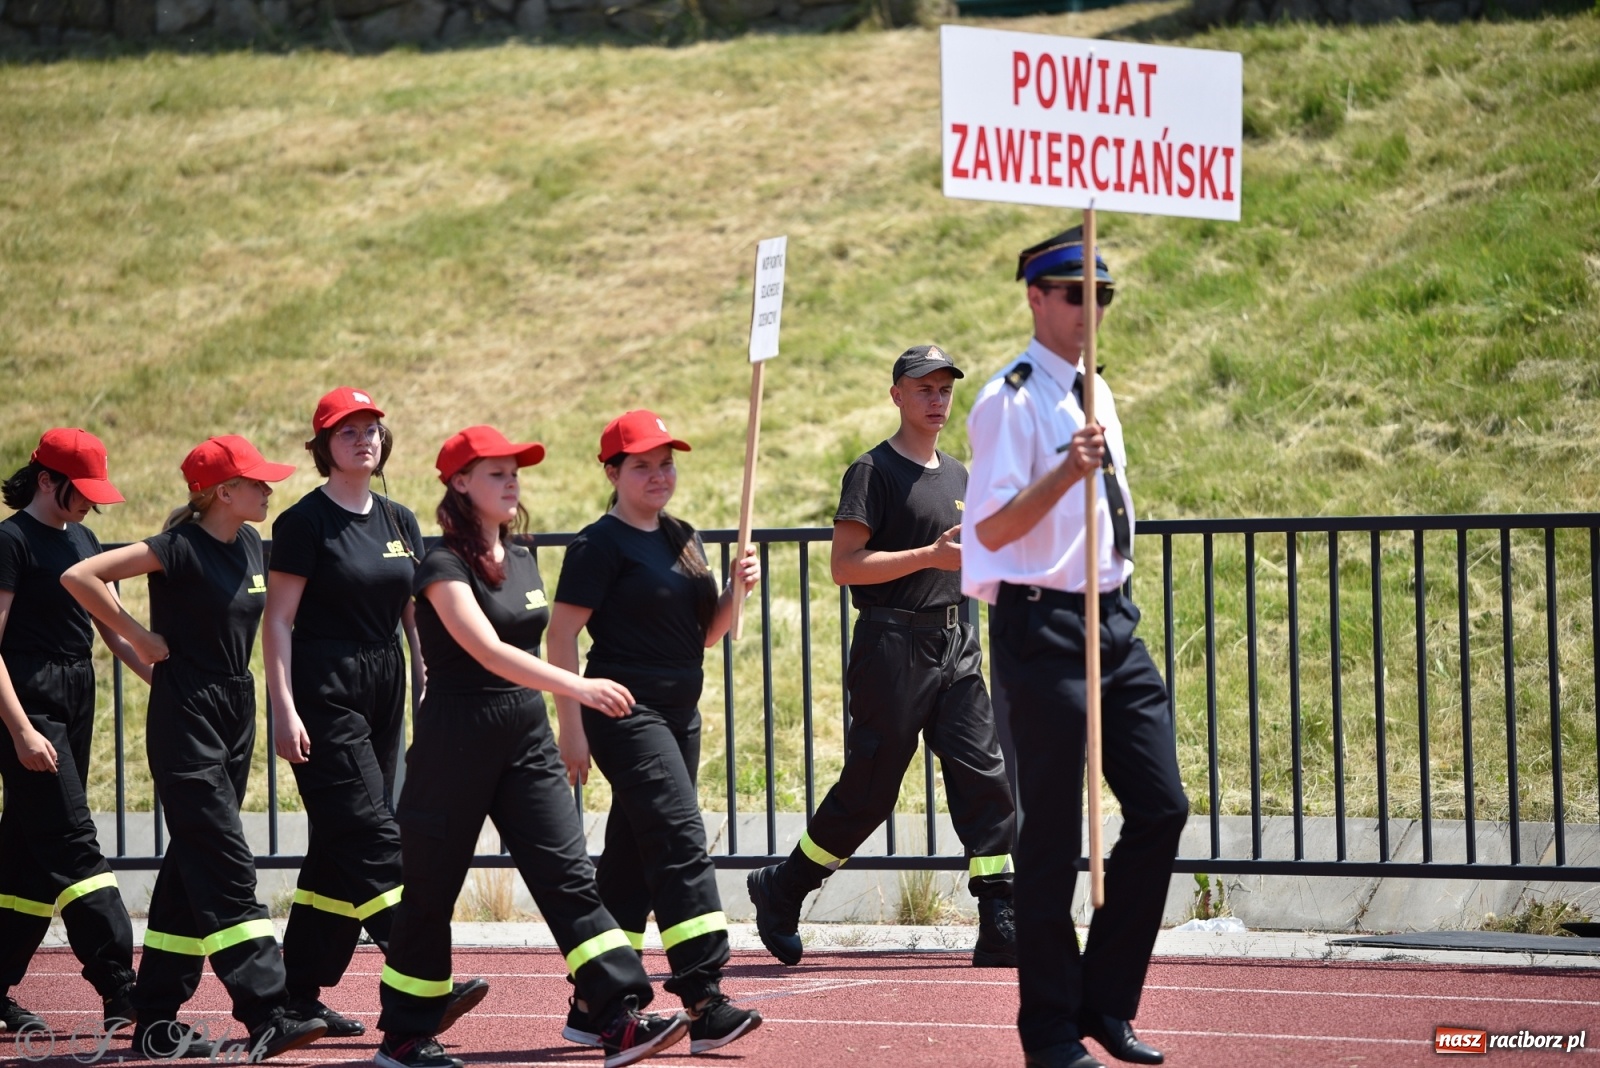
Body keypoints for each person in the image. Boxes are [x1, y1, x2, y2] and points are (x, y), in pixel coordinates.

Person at [376, 425, 689, 1068]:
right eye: (495, 472)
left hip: (523, 733)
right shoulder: (441, 564)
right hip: (456, 738)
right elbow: (488, 651)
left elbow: (527, 648)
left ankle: (616, 1015)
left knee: (569, 875)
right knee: (431, 888)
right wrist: (580, 687)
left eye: (515, 470)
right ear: (459, 483)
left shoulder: (522, 555)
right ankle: (406, 1034)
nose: (512, 479)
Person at [961, 228, 1188, 1068]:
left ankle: (1105, 1003)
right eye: (1075, 294)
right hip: (1040, 623)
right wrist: (1064, 471)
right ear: (1035, 297)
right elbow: (989, 526)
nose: (1092, 310)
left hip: (1112, 620)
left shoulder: (1099, 389)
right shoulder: (1009, 399)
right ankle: (1049, 1028)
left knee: (1162, 806)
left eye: (1104, 295)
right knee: (1051, 839)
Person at [747, 346, 1018, 969]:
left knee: (984, 775)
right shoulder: (871, 471)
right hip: (890, 645)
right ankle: (784, 886)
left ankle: (999, 912)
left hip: (956, 642)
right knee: (869, 794)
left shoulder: (961, 475)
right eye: (924, 388)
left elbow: (971, 558)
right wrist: (927, 556)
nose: (937, 399)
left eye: (946, 388)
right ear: (896, 393)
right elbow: (845, 568)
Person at [62, 435, 327, 1061]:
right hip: (186, 718)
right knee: (227, 861)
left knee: (189, 871)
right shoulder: (177, 547)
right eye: (257, 482)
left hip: (236, 708)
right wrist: (137, 638)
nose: (269, 489)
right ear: (221, 492)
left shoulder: (252, 545)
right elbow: (81, 575)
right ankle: (267, 1008)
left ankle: (154, 1016)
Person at [547, 409, 763, 1055]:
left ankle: (594, 1000)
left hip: (681, 708)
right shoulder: (598, 544)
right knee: (677, 833)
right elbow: (560, 637)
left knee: (635, 857)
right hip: (623, 709)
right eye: (641, 464)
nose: (658, 474)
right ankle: (704, 995)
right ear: (612, 472)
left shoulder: (682, 534)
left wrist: (735, 594)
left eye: (666, 462)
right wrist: (572, 728)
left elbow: (704, 635)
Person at [263, 387, 452, 1037]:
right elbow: (279, 622)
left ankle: (295, 993)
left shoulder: (399, 519)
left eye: (372, 428)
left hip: (385, 683)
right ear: (323, 448)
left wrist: (428, 676)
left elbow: (412, 610)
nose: (364, 438)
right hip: (324, 686)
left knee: (339, 843)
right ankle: (421, 976)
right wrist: (283, 707)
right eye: (348, 432)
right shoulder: (302, 524)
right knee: (373, 832)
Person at [0, 429, 145, 1036]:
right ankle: (122, 987)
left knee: (29, 857)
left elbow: (112, 627)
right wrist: (22, 732)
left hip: (76, 694)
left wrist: (160, 676)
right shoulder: (9, 542)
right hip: (30, 703)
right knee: (75, 843)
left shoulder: (83, 538)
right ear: (44, 480)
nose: (90, 504)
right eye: (79, 491)